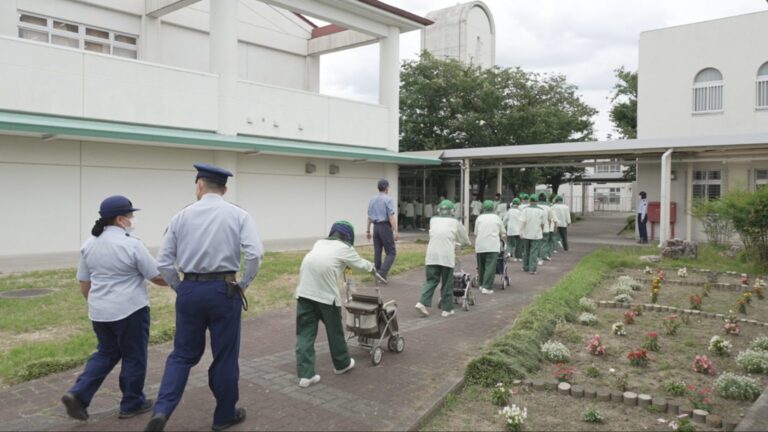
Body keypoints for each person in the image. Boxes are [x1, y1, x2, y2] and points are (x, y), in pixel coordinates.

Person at [146, 163, 264, 432]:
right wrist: (244, 283)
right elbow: (255, 254)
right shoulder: (239, 215)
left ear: (199, 186)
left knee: (182, 355)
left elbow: (163, 262)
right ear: (224, 189)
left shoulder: (180, 217)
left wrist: (180, 287)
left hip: (190, 288)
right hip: (225, 289)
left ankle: (162, 410)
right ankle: (223, 416)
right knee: (224, 356)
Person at [62, 196, 167, 422]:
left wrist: (97, 303)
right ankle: (132, 402)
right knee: (134, 356)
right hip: (130, 310)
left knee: (106, 352)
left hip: (99, 311)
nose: (133, 219)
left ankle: (78, 394)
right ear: (120, 219)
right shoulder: (131, 244)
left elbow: (84, 282)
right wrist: (180, 279)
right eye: (130, 215)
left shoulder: (89, 244)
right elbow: (157, 276)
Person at [294, 221, 384, 388]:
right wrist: (374, 269)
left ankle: (306, 375)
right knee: (334, 331)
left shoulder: (319, 243)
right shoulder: (345, 248)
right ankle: (342, 364)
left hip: (304, 293)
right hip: (326, 297)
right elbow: (361, 264)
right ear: (348, 237)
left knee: (305, 334)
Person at [414, 200, 471, 318]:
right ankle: (447, 309)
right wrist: (466, 243)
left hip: (431, 255)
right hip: (446, 256)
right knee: (447, 283)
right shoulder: (455, 222)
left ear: (439, 210)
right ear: (452, 211)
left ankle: (421, 302)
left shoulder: (433, 220)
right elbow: (464, 238)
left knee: (431, 281)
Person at [366, 179, 399, 281]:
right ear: (386, 188)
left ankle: (377, 273)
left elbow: (369, 216)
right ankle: (382, 273)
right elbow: (390, 216)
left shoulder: (372, 199)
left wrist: (368, 230)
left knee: (378, 251)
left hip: (375, 227)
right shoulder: (388, 199)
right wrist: (395, 231)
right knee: (391, 252)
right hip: (384, 226)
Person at [474, 200, 505, 294]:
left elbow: (476, 232)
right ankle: (486, 287)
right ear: (493, 208)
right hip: (492, 246)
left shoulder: (479, 218)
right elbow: (503, 232)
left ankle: (481, 284)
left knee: (481, 266)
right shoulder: (497, 218)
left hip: (480, 245)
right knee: (490, 267)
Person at [520, 195, 546, 275]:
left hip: (526, 234)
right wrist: (542, 230)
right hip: (536, 234)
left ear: (530, 201)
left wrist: (521, 231)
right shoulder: (541, 211)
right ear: (537, 201)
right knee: (534, 252)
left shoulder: (525, 210)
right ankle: (532, 269)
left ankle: (525, 267)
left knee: (526, 251)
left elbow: (522, 222)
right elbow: (542, 223)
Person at [538, 193, 556, 262]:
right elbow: (550, 219)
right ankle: (543, 256)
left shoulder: (536, 206)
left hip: (536, 228)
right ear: (545, 199)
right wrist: (549, 227)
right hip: (545, 228)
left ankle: (537, 257)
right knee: (544, 243)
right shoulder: (548, 208)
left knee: (536, 243)